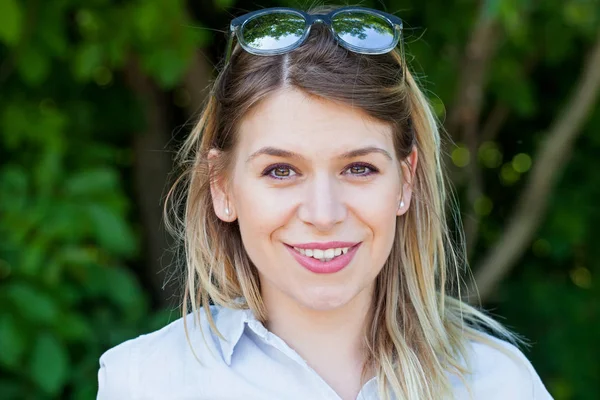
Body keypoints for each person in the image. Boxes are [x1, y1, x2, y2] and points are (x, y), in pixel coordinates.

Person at [97, 5, 553, 400]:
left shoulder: (497, 382)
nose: (323, 214)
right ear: (222, 187)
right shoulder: (145, 382)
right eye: (280, 171)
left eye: (359, 169)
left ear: (405, 182)